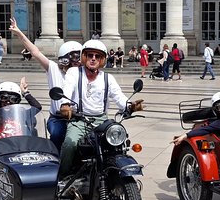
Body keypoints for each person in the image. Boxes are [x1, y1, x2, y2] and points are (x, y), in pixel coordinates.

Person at [58, 39, 144, 176]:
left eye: (97, 56)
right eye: (90, 55)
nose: (93, 59)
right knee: (70, 143)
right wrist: (65, 105)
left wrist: (130, 106)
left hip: (102, 120)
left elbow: (119, 96)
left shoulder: (107, 78)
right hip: (79, 120)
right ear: (84, 57)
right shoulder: (74, 73)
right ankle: (63, 176)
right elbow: (67, 89)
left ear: (102, 59)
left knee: (117, 145)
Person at [10, 17, 82, 150]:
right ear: (65, 58)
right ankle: (56, 159)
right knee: (57, 134)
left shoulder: (83, 73)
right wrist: (19, 33)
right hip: (58, 118)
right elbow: (35, 52)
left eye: (80, 58)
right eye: (75, 57)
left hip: (78, 117)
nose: (78, 62)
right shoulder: (53, 68)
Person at [171, 60, 220, 168]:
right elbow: (203, 130)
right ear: (216, 110)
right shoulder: (219, 123)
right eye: (219, 107)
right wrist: (184, 136)